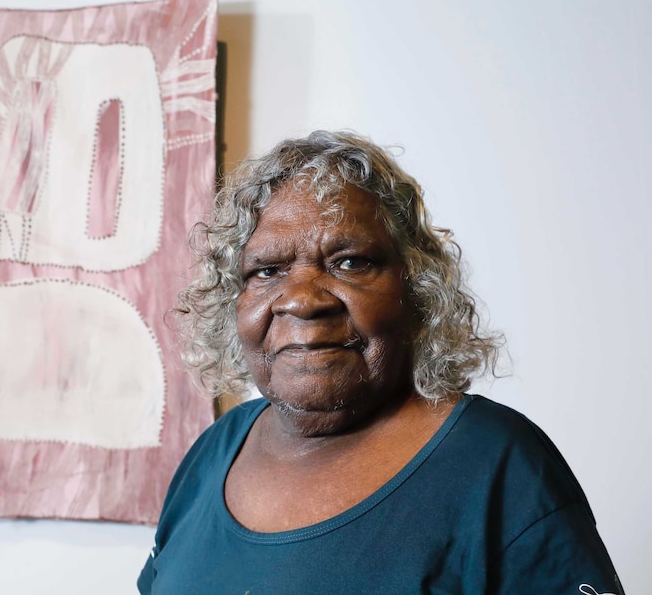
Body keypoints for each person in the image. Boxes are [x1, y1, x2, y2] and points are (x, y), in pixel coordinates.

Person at [138, 131, 624, 594]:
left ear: (415, 288)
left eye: (349, 262)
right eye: (266, 270)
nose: (303, 300)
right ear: (233, 302)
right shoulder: (212, 454)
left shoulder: (499, 465)